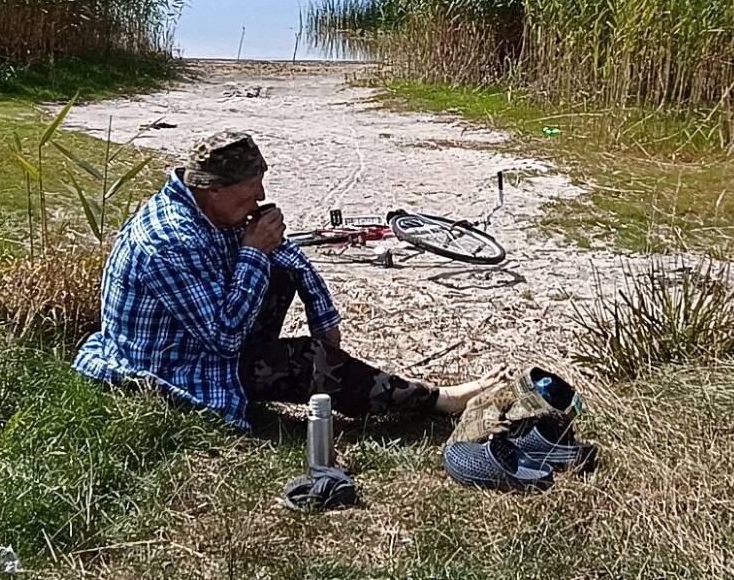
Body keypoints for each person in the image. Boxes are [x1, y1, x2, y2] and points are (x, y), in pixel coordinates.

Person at [73, 129, 500, 428]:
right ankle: (434, 401)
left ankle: (338, 375)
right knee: (309, 360)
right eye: (250, 190)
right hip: (172, 363)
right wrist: (253, 252)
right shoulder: (169, 241)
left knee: (278, 272)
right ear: (214, 189)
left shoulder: (212, 210)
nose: (259, 198)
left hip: (202, 336)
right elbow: (223, 338)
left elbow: (288, 256)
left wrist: (323, 315)